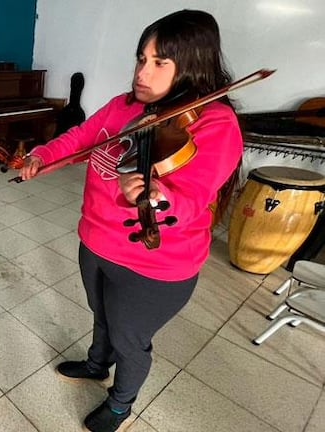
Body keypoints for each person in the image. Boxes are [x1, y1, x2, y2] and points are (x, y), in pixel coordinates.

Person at [19, 10, 242, 432]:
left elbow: (192, 199)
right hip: (96, 243)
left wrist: (156, 197)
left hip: (154, 265)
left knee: (130, 339)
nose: (142, 72)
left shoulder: (215, 124)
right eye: (142, 58)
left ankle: (120, 404)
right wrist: (42, 156)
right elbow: (81, 138)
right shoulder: (125, 107)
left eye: (160, 63)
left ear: (193, 64)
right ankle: (96, 363)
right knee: (100, 315)